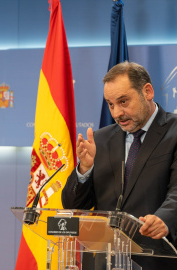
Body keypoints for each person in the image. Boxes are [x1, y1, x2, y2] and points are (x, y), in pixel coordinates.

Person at [62, 61, 177, 270]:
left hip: (159, 259)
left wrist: (164, 218)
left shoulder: (174, 132)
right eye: (111, 104)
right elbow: (72, 206)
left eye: (123, 101)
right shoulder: (100, 140)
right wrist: (84, 171)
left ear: (148, 92)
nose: (116, 113)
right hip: (104, 261)